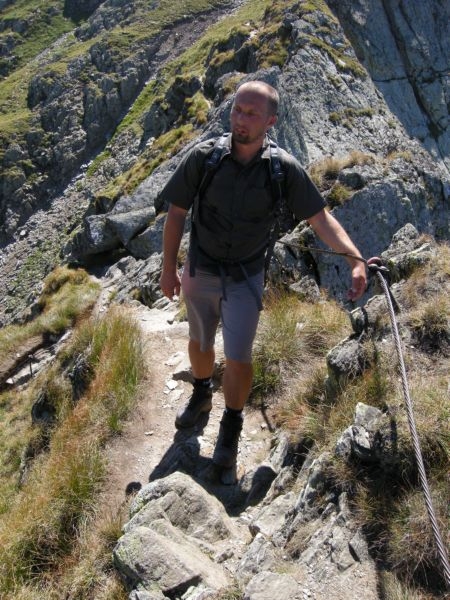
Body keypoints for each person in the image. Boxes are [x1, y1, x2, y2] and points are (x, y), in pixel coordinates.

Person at [159, 80, 366, 472]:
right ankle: (201, 392)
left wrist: (354, 259)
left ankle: (231, 425)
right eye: (237, 110)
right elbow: (176, 214)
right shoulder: (204, 157)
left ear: (271, 121)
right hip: (201, 269)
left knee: (239, 357)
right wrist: (169, 268)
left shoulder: (282, 169)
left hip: (245, 277)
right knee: (199, 343)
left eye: (252, 114)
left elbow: (320, 218)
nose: (241, 119)